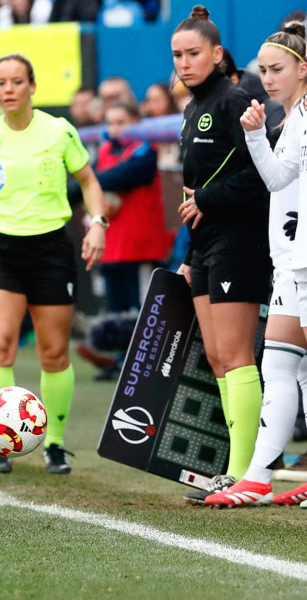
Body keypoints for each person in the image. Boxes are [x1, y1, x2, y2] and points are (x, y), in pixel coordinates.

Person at [0, 53, 107, 475]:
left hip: (50, 252)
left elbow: (89, 182)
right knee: (0, 345)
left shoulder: (59, 131)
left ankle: (55, 445)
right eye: (0, 82)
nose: (8, 89)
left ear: (32, 87)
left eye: (16, 81)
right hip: (0, 252)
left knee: (54, 352)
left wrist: (97, 224)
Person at [172, 5, 272, 504]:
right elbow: (194, 193)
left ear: (216, 53)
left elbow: (263, 177)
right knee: (216, 357)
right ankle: (235, 466)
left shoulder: (236, 100)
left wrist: (205, 202)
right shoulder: (191, 110)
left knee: (235, 355)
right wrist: (190, 252)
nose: (184, 63)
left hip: (241, 241)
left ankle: (241, 473)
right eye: (177, 55)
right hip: (207, 246)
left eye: (193, 54)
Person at [207, 22, 307, 507]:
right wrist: (256, 135)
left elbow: (276, 178)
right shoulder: (291, 118)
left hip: (303, 262)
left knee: (279, 362)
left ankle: (258, 475)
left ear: (302, 69)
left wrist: (253, 137)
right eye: (263, 71)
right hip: (292, 261)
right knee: (291, 367)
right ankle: (260, 476)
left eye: (277, 70)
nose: (267, 79)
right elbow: (277, 179)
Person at [71, 101, 171, 380]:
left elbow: (119, 176)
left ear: (137, 122)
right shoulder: (104, 150)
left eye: (121, 121)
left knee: (141, 311)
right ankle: (121, 362)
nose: (115, 128)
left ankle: (144, 367)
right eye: (110, 122)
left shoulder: (145, 151)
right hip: (112, 245)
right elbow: (92, 180)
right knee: (117, 310)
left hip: (141, 245)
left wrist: (86, 183)